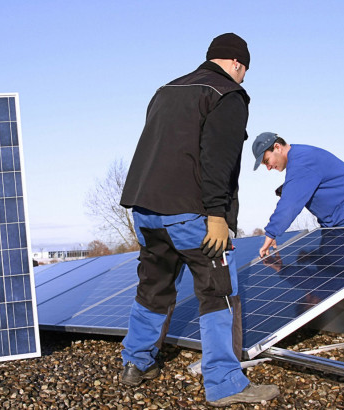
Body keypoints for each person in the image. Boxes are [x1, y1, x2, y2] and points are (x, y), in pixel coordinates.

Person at [119, 33, 280, 407]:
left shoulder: (167, 90)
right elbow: (217, 159)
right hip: (191, 213)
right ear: (238, 64)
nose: (243, 79)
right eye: (245, 72)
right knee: (219, 291)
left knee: (154, 286)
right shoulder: (227, 94)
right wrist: (217, 214)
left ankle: (136, 363)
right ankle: (225, 383)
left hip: (145, 209)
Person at [252, 132, 344, 258]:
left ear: (277, 147)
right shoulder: (299, 159)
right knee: (326, 266)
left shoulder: (302, 161)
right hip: (334, 222)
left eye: (267, 161)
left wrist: (271, 233)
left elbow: (290, 204)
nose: (268, 167)